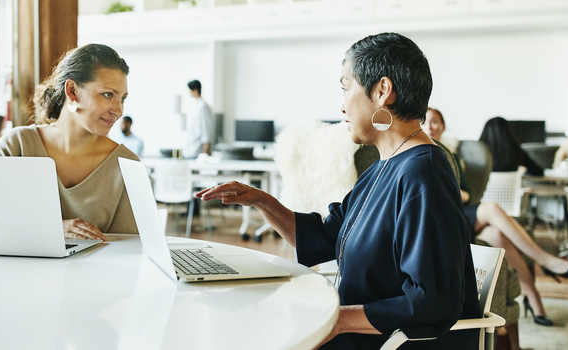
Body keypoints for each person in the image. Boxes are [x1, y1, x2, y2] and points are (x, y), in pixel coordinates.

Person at [197, 33, 480, 349]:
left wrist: (337, 319)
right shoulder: (380, 168)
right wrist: (261, 200)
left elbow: (434, 300)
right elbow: (325, 238)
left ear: (382, 91)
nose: (341, 104)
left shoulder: (424, 172)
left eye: (346, 88)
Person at [423, 110, 568, 331]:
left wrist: (452, 190)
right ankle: (546, 262)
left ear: (443, 125)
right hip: (446, 219)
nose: (430, 127)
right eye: (426, 122)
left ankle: (533, 297)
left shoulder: (453, 155)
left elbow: (468, 194)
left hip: (463, 211)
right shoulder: (421, 154)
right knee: (491, 208)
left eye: (435, 122)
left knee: (497, 235)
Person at [0, 44, 139, 240]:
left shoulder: (126, 164)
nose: (118, 111)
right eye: (108, 95)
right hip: (12, 269)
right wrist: (50, 229)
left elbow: (128, 250)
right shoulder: (17, 145)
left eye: (123, 98)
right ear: (72, 92)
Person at [182, 80, 213, 159]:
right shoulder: (196, 105)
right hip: (191, 148)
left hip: (198, 150)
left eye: (190, 90)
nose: (188, 92)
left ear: (195, 90)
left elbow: (206, 128)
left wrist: (205, 151)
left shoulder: (203, 106)